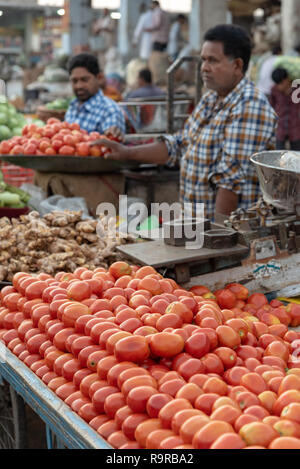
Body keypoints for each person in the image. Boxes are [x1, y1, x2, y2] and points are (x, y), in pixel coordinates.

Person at [97, 24, 277, 221]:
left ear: (237, 66)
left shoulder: (249, 106)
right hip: (197, 227)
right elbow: (178, 145)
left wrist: (220, 241)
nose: (204, 68)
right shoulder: (210, 100)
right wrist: (126, 152)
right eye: (203, 60)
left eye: (213, 61)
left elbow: (230, 183)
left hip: (228, 233)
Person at [65, 53, 125, 139]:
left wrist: (111, 133)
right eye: (74, 81)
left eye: (84, 80)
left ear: (99, 78)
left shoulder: (109, 110)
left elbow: (111, 144)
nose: (79, 86)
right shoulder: (73, 106)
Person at [270, 67, 300, 151]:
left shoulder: (297, 89)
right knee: (278, 154)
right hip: (280, 128)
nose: (279, 86)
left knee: (296, 155)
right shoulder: (274, 90)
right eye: (277, 84)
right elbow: (271, 106)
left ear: (287, 79)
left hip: (295, 128)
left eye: (281, 83)